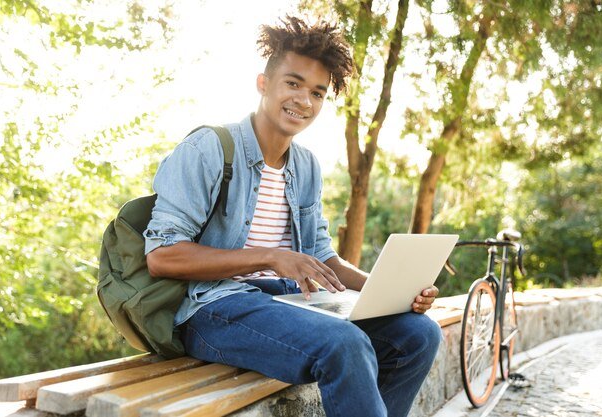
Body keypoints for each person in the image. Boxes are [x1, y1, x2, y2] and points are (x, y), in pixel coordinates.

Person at [144, 15, 441, 417]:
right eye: (293, 83)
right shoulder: (209, 148)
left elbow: (324, 258)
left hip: (290, 302)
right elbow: (162, 257)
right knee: (344, 343)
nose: (304, 100)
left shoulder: (306, 167)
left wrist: (390, 291)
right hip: (212, 309)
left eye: (317, 93)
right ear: (263, 83)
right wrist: (269, 256)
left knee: (419, 334)